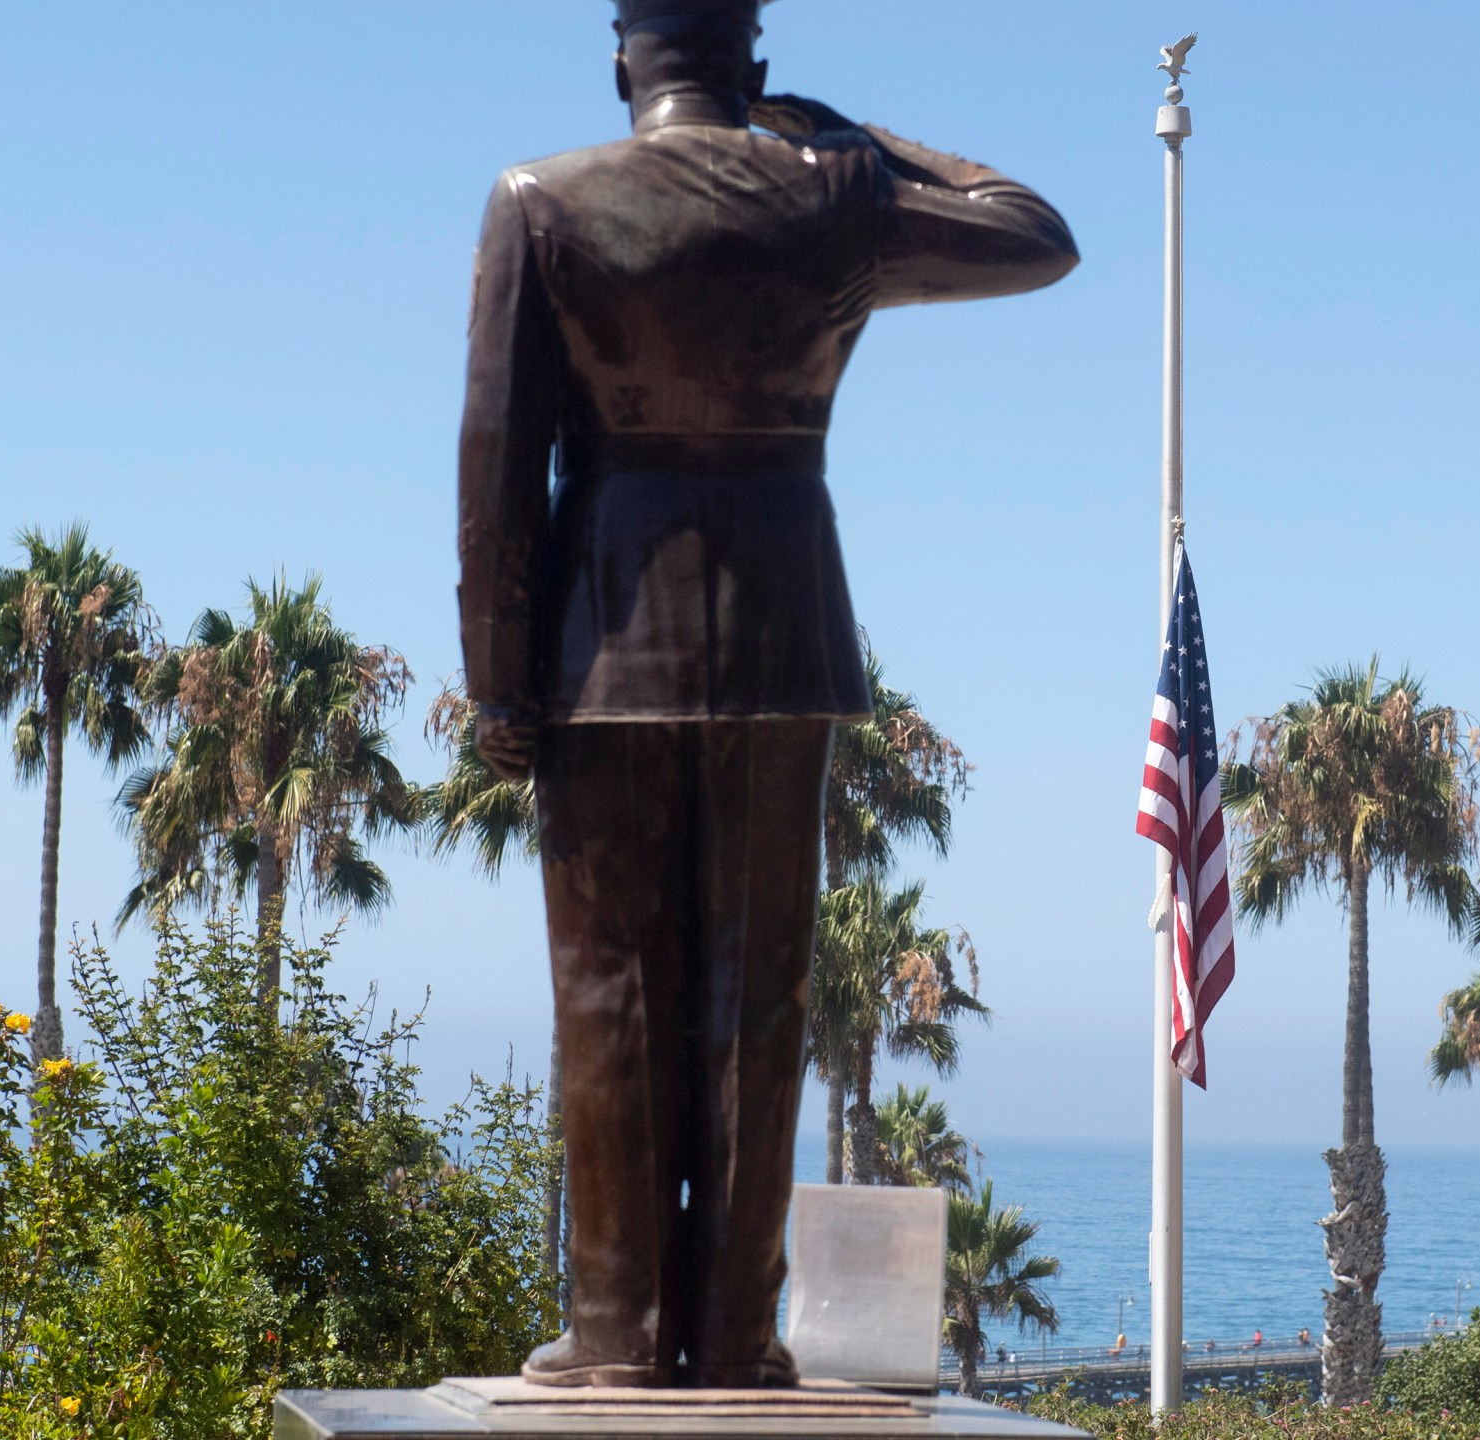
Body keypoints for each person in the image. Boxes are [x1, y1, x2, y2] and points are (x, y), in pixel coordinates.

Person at [459, 0, 1076, 1389]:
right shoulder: (833, 199)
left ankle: (614, 1336)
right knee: (758, 995)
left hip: (601, 641)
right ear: (753, 62)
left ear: (623, 60)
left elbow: (496, 461)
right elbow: (1035, 230)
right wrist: (845, 138)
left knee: (609, 991)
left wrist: (501, 684)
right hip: (786, 629)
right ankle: (736, 1330)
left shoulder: (540, 203)